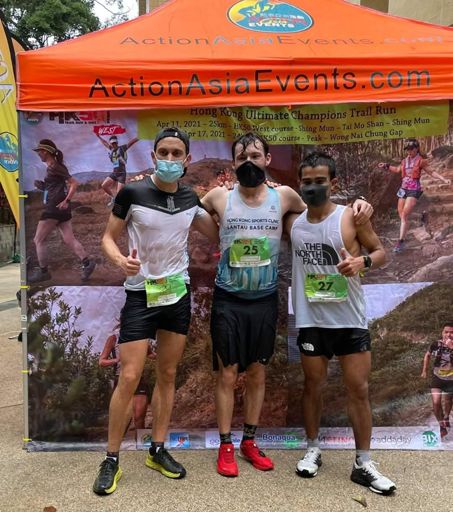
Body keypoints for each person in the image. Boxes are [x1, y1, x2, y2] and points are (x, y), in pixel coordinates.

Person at [201, 134, 373, 478]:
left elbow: (321, 215)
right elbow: (191, 214)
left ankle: (249, 442)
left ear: (267, 159)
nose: (248, 162)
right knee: (228, 373)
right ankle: (225, 445)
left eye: (255, 155)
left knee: (257, 372)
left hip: (265, 298)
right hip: (228, 298)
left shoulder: (285, 197)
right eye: (241, 157)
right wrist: (217, 234)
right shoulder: (219, 196)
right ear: (233, 163)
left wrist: (360, 206)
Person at [92, 127, 219, 496]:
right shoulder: (132, 192)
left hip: (176, 295)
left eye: (176, 153)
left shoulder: (189, 198)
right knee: (130, 376)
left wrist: (231, 196)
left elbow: (216, 231)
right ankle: (111, 459)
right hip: (140, 296)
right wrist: (120, 261)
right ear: (153, 156)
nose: (169, 159)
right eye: (163, 152)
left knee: (167, 373)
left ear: (187, 159)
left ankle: (157, 449)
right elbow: (107, 238)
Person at [286, 151, 396, 495]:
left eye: (320, 181)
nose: (313, 187)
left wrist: (362, 262)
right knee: (312, 385)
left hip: (349, 319)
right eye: (307, 182)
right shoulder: (293, 223)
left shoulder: (351, 216)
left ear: (333, 183)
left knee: (358, 389)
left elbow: (380, 251)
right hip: (311, 320)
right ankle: (313, 449)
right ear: (299, 184)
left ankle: (363, 462)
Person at [29, 139, 96, 283]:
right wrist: (42, 186)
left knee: (38, 239)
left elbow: (74, 183)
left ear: (45, 152)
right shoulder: (53, 167)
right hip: (60, 209)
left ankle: (43, 272)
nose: (38, 154)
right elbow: (54, 187)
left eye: (39, 151)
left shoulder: (55, 166)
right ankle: (87, 263)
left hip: (54, 208)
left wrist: (67, 200)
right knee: (69, 239)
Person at [378, 138, 451, 253]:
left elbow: (431, 172)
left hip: (414, 189)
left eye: (411, 149)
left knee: (405, 214)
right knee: (402, 215)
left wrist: (443, 179)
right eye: (407, 149)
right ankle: (405, 235)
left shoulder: (421, 161)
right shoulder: (404, 161)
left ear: (416, 149)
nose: (409, 151)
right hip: (403, 189)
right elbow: (397, 169)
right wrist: (386, 166)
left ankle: (400, 241)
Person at [99, 327, 156, 431]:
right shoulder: (114, 338)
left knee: (139, 417)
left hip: (138, 380)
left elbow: (150, 354)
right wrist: (117, 360)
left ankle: (142, 441)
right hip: (121, 381)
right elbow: (102, 361)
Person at [421, 322, 453, 439]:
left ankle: (446, 417)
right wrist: (424, 370)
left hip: (451, 378)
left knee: (448, 400)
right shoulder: (436, 344)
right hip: (437, 377)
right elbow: (427, 355)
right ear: (442, 333)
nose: (449, 335)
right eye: (446, 332)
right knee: (436, 402)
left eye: (452, 332)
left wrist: (451, 347)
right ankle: (441, 425)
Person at [95, 132, 139, 205]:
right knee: (104, 185)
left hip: (121, 174)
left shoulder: (122, 148)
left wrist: (139, 137)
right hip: (114, 173)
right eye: (112, 143)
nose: (114, 144)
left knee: (119, 195)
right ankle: (113, 198)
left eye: (115, 143)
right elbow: (105, 143)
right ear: (111, 144)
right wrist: (99, 137)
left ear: (117, 143)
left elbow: (131, 143)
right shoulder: (111, 149)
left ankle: (128, 203)